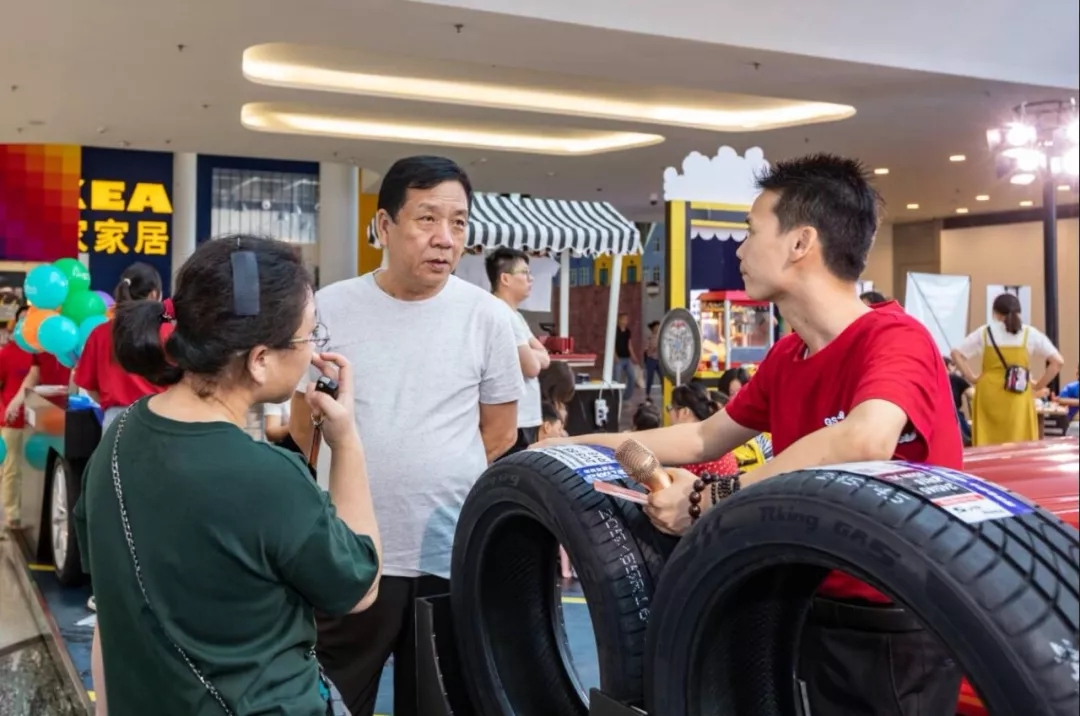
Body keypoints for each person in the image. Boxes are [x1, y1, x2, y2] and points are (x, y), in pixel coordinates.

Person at [538, 153, 965, 716]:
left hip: (891, 620)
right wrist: (566, 448)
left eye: (751, 231)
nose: (739, 249)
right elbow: (701, 439)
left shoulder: (894, 337)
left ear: (800, 243)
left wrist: (711, 499)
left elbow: (864, 441)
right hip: (802, 603)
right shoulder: (788, 356)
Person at [74, 236, 381, 716]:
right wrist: (346, 443)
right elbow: (359, 587)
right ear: (260, 360)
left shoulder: (118, 439)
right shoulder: (269, 479)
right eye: (309, 336)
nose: (313, 352)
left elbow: (110, 619)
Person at [288, 155, 522, 716]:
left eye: (459, 223)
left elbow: (499, 433)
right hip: (350, 556)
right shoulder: (330, 308)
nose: (445, 238)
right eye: (427, 218)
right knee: (333, 701)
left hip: (447, 555)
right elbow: (302, 425)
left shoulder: (487, 317)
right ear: (384, 225)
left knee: (442, 702)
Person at [951, 293, 1064, 446]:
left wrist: (972, 377)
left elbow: (956, 354)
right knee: (1019, 442)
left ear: (995, 313)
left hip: (988, 393)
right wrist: (1038, 385)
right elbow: (1058, 362)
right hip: (1018, 393)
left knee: (987, 443)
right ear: (1018, 311)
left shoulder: (984, 332)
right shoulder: (1030, 333)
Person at [74, 263, 169, 431]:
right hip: (161, 420)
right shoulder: (168, 332)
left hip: (115, 422)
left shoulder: (100, 333)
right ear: (154, 294)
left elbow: (90, 387)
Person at [487, 247, 549, 453]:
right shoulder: (501, 313)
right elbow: (532, 367)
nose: (531, 278)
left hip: (524, 419)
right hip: (514, 420)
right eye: (524, 272)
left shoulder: (516, 316)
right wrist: (534, 356)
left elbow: (545, 356)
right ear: (505, 278)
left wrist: (534, 355)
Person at [614, 312, 639, 402]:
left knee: (632, 376)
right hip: (619, 358)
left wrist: (633, 356)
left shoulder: (628, 331)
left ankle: (626, 396)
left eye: (626, 320)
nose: (625, 321)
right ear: (619, 320)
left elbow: (629, 345)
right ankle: (615, 397)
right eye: (623, 319)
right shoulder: (615, 330)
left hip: (627, 358)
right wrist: (615, 356)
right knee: (616, 379)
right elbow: (612, 344)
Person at [642, 320, 660, 398]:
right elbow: (646, 349)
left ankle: (665, 393)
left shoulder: (661, 337)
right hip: (651, 359)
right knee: (650, 378)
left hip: (659, 360)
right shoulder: (649, 337)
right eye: (656, 327)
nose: (657, 329)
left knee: (663, 377)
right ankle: (647, 394)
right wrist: (653, 349)